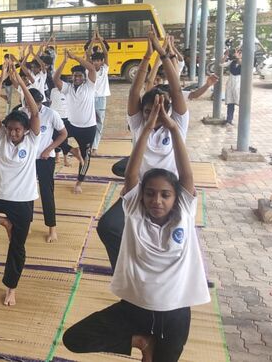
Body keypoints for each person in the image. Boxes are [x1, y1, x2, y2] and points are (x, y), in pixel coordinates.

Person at [63, 95, 210, 362]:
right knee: (74, 339)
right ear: (140, 197)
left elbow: (186, 176)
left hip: (174, 314)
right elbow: (132, 175)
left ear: (177, 198)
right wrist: (145, 127)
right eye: (150, 193)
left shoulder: (185, 213)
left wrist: (174, 128)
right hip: (135, 309)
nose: (157, 200)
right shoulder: (135, 214)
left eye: (165, 195)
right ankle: (142, 341)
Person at [97, 30, 189, 270]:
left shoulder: (176, 126)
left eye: (160, 111)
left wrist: (163, 56)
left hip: (169, 192)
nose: (154, 115)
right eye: (149, 111)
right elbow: (133, 93)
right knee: (108, 227)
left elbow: (177, 92)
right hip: (140, 190)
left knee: (164, 234)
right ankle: (125, 271)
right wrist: (147, 57)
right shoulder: (139, 125)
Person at [0, 55, 40, 307]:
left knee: (17, 247)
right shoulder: (2, 138)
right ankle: (2, 222)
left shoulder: (33, 140)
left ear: (25, 130)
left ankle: (11, 287)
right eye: (10, 128)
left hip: (23, 200)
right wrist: (2, 79)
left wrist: (19, 83)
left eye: (17, 129)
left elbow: (34, 111)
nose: (14, 133)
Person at [17, 89, 68, 243]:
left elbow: (63, 134)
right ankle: (27, 223)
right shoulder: (21, 112)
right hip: (27, 159)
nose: (30, 106)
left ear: (40, 102)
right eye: (27, 102)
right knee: (27, 192)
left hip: (45, 159)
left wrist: (49, 149)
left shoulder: (51, 114)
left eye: (34, 103)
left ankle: (52, 228)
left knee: (46, 193)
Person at [53, 49, 98, 194]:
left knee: (86, 157)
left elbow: (91, 68)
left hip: (89, 128)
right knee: (53, 135)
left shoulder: (90, 86)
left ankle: (79, 182)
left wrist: (75, 57)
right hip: (72, 125)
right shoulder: (68, 88)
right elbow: (55, 78)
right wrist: (65, 61)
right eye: (74, 75)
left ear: (84, 77)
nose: (76, 77)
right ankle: (72, 150)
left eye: (79, 75)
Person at [89, 31, 111, 155]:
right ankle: (88, 144)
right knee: (89, 121)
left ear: (102, 61)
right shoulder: (89, 69)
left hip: (101, 98)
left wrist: (100, 40)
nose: (96, 62)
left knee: (99, 123)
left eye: (98, 60)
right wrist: (93, 40)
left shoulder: (105, 69)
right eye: (94, 60)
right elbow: (87, 54)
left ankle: (95, 147)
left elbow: (106, 53)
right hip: (90, 98)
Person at [223, 49, 241, 125]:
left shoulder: (245, 63)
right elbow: (221, 64)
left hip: (239, 85)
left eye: (239, 53)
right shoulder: (232, 62)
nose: (236, 54)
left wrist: (238, 58)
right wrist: (226, 55)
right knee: (231, 103)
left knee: (242, 103)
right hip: (230, 84)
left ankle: (242, 121)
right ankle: (229, 120)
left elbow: (241, 63)